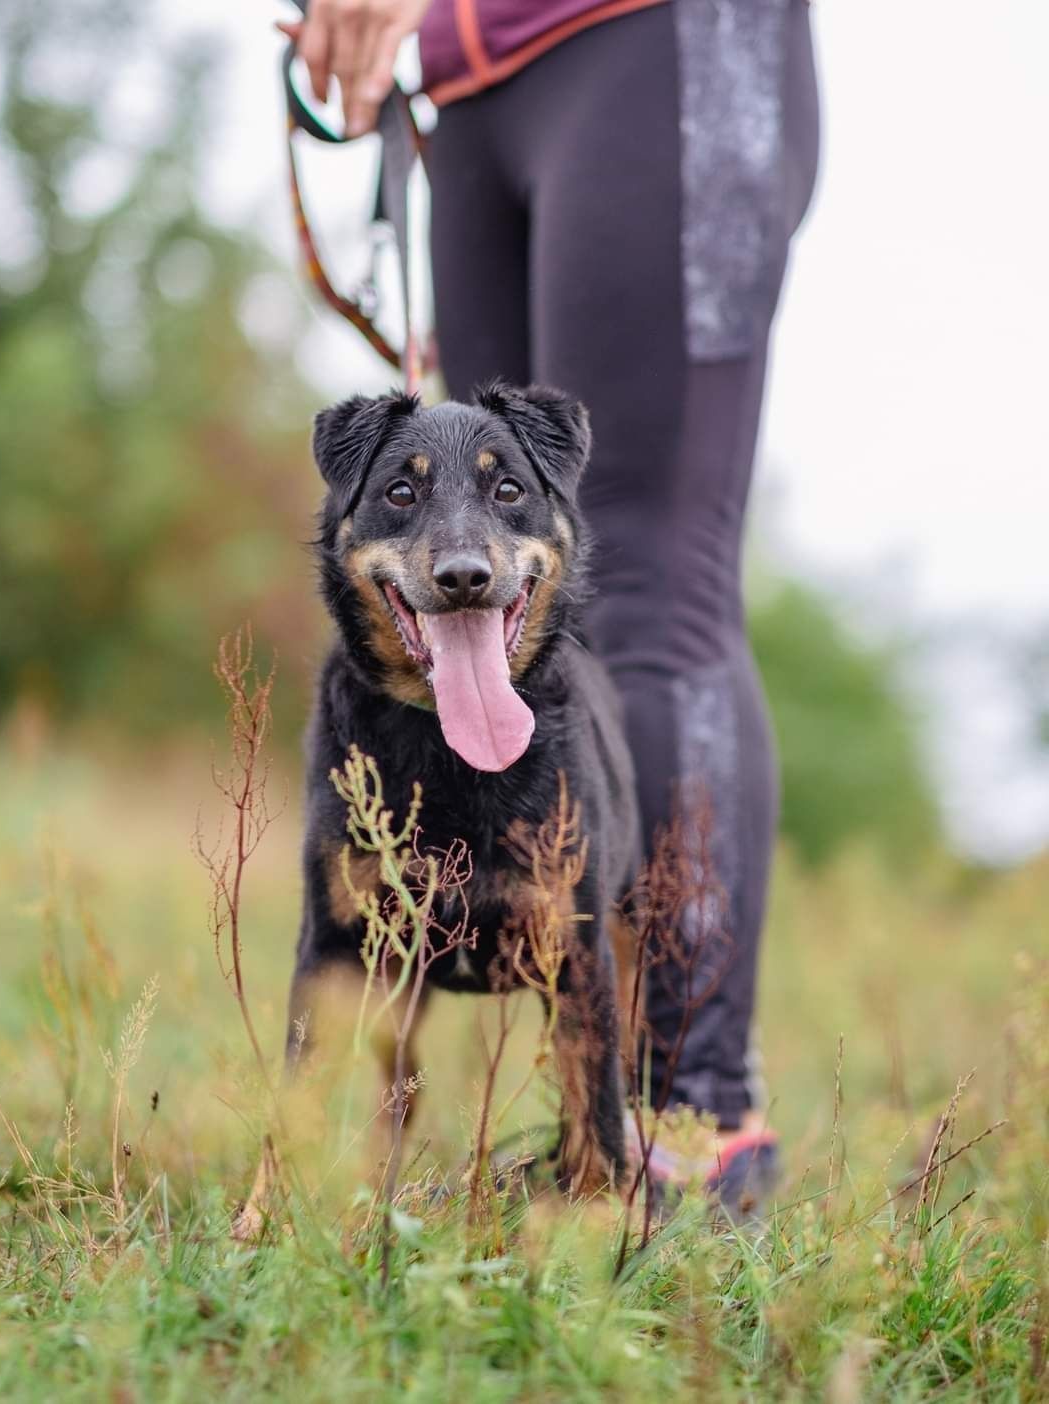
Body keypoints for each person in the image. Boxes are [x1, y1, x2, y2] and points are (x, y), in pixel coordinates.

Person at [277, 0, 819, 1203]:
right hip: (466, 80)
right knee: (472, 536)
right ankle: (381, 1142)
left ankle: (697, 1112)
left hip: (660, 42)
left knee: (649, 580)